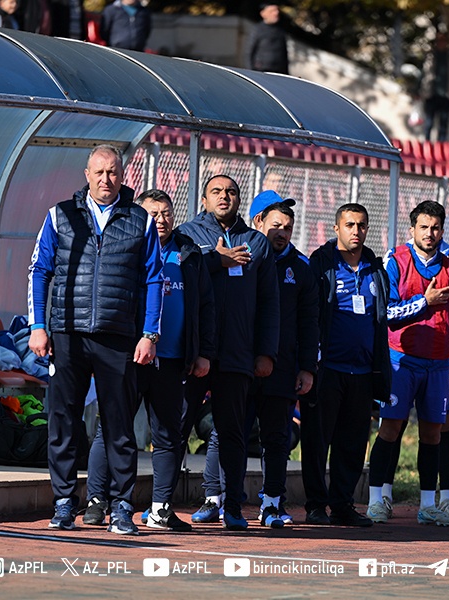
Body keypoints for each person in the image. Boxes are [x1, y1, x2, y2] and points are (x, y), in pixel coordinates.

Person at [28, 144, 163, 534]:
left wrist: (149, 334)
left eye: (114, 173)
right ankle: (64, 502)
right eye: (99, 172)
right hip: (67, 334)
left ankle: (121, 506)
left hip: (119, 336)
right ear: (86, 174)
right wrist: (40, 326)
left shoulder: (141, 220)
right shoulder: (60, 215)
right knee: (63, 420)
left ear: (123, 176)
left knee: (119, 424)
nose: (107, 179)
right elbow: (39, 270)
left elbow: (153, 279)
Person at [83, 189, 216, 532]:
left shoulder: (190, 253)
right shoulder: (127, 248)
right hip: (131, 357)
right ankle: (98, 501)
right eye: (153, 213)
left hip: (173, 361)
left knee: (169, 435)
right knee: (113, 428)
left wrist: (203, 352)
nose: (160, 219)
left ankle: (160, 508)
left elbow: (205, 306)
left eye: (166, 212)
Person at [190, 191, 319, 529]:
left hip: (279, 367)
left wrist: (306, 366)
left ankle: (272, 503)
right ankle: (213, 497)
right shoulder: (236, 252)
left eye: (288, 228)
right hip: (238, 361)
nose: (282, 233)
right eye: (276, 225)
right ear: (258, 222)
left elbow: (309, 322)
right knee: (226, 430)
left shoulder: (301, 268)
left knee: (276, 436)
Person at [177, 175, 280, 531]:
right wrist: (214, 259)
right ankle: (161, 504)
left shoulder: (258, 243)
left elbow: (269, 303)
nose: (224, 197)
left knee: (233, 432)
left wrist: (266, 352)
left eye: (231, 192)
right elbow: (179, 277)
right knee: (177, 428)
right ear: (204, 198)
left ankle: (233, 507)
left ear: (240, 200)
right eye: (217, 192)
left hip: (238, 353)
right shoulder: (187, 234)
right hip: (194, 353)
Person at [366, 200, 449, 527]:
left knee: (433, 434)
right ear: (412, 229)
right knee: (390, 429)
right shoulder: (395, 260)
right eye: (424, 227)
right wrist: (423, 303)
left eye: (436, 227)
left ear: (443, 229)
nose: (430, 233)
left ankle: (428, 505)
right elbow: (386, 314)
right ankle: (376, 499)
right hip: (401, 361)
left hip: (439, 364)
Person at [301, 203, 391, 527]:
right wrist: (309, 362)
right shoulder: (321, 264)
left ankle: (342, 505)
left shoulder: (376, 270)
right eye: (350, 225)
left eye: (362, 225)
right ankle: (315, 505)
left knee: (352, 444)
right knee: (316, 440)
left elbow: (381, 321)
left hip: (363, 372)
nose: (356, 231)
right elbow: (309, 314)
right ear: (336, 228)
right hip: (328, 369)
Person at [419, 34, 449, 142]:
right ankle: (427, 143)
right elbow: (423, 74)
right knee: (429, 121)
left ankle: (441, 144)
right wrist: (418, 90)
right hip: (431, 93)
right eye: (439, 41)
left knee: (443, 123)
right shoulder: (431, 56)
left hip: (446, 95)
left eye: (443, 41)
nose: (441, 43)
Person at [246, 3, 289, 74]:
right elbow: (249, 52)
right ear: (263, 14)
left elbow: (284, 54)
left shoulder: (280, 31)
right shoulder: (257, 29)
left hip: (278, 72)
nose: (276, 13)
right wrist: (250, 72)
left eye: (277, 11)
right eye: (272, 11)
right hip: (261, 71)